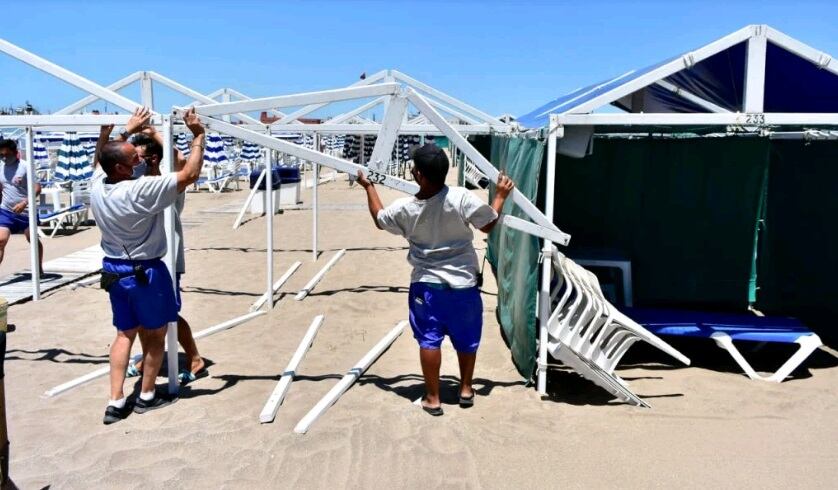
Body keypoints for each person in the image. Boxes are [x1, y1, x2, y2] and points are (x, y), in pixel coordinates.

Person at [357, 144, 515, 416]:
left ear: (418, 173)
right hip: (463, 284)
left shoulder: (405, 208)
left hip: (426, 285)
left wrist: (368, 187)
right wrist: (500, 195)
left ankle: (433, 398)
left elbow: (379, 219)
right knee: (467, 339)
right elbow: (487, 223)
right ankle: (466, 389)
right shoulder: (460, 197)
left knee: (429, 340)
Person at [92, 107, 206, 425]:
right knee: (154, 336)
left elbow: (102, 158)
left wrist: (125, 131)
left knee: (124, 334)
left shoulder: (98, 183)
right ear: (121, 167)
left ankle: (115, 401)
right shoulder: (138, 189)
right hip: (146, 271)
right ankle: (146, 395)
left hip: (114, 270)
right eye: (133, 158)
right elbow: (189, 174)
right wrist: (198, 135)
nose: (139, 160)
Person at [130, 131, 206, 383]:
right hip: (140, 257)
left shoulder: (169, 182)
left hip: (166, 258)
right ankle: (146, 358)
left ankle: (195, 359)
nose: (134, 163)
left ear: (152, 159)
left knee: (169, 313)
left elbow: (179, 158)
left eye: (138, 158)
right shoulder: (132, 183)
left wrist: (155, 131)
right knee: (142, 315)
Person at [0, 139, 43, 272]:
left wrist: (24, 203)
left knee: (32, 239)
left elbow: (37, 188)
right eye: (1, 155)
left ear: (15, 152)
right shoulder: (0, 167)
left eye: (6, 155)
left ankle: (38, 267)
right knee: (1, 241)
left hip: (26, 211)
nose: (4, 158)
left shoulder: (25, 166)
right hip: (6, 210)